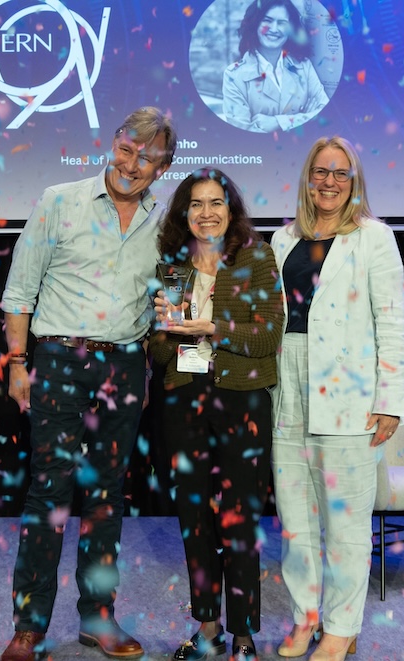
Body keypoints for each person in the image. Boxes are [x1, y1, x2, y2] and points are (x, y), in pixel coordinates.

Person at [0, 107, 177, 661]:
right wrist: (17, 360)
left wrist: (145, 365)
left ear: (163, 168)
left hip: (124, 366)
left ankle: (99, 618)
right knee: (49, 493)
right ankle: (29, 627)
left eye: (147, 158)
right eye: (127, 149)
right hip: (56, 359)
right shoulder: (60, 200)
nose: (132, 164)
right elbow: (20, 290)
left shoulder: (164, 221)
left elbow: (159, 303)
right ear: (113, 143)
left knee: (107, 498)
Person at [270, 136, 404, 661]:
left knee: (346, 523)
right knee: (296, 520)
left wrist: (390, 398)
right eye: (320, 172)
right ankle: (305, 619)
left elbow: (391, 324)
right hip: (289, 385)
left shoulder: (374, 238)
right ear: (307, 178)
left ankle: (341, 628)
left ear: (354, 181)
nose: (329, 182)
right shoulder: (282, 240)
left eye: (340, 173)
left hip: (349, 393)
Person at [148, 168, 283, 661]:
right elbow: (158, 352)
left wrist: (211, 327)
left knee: (240, 519)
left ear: (231, 210)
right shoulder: (171, 266)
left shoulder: (256, 257)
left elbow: (268, 336)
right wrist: (166, 331)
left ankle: (244, 635)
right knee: (194, 519)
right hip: (185, 397)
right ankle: (207, 627)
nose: (207, 213)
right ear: (184, 213)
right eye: (196, 204)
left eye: (216, 203)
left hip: (242, 399)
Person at [223, 0, 329, 133]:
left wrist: (278, 122)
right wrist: (305, 117)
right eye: (267, 20)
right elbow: (242, 133)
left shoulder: (304, 66)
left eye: (282, 23)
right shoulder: (233, 75)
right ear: (255, 24)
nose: (274, 29)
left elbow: (325, 116)